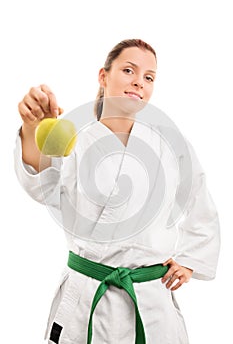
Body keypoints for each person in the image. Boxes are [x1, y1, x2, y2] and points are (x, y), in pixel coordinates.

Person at [15, 39, 220, 344]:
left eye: (149, 77)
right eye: (129, 70)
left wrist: (192, 259)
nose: (139, 81)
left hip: (151, 302)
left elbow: (199, 200)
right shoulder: (75, 138)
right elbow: (41, 185)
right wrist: (33, 128)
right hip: (86, 299)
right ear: (103, 76)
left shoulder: (170, 144)